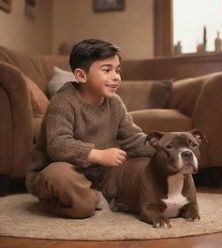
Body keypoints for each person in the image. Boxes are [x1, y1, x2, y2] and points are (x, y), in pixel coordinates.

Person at [26, 39, 154, 219]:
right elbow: (58, 145)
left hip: (101, 178)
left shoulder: (115, 103)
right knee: (77, 199)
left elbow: (134, 139)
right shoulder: (63, 102)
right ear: (81, 76)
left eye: (118, 70)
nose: (116, 76)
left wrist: (164, 147)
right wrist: (97, 155)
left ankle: (100, 196)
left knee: (142, 166)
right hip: (60, 176)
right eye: (107, 70)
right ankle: (90, 199)